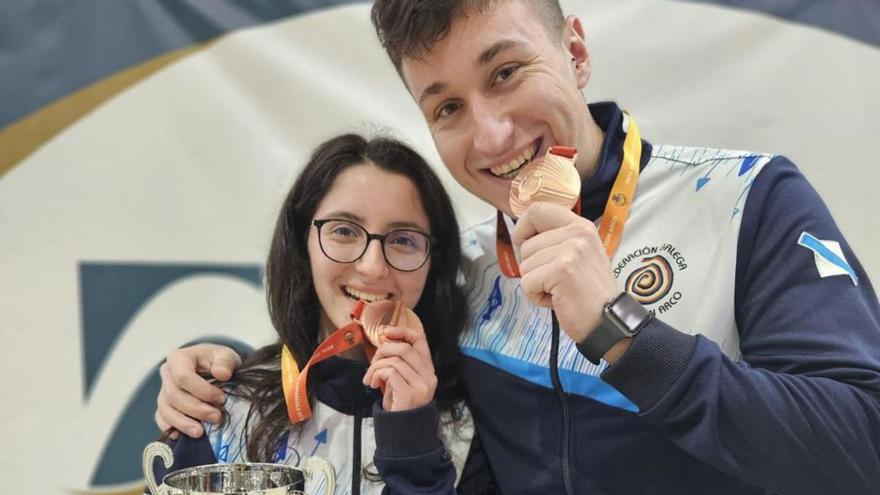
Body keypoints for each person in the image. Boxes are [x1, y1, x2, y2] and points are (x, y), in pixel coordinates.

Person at [156, 1, 880, 494]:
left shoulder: (744, 199)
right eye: (447, 107)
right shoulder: (464, 266)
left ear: (575, 50)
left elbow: (864, 446)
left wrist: (622, 330)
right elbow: (347, 351)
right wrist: (216, 371)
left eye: (505, 72)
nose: (493, 135)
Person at [151, 134, 483, 495]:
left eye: (403, 239)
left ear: (434, 263)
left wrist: (412, 438)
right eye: (344, 231)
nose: (372, 267)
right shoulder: (221, 409)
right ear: (300, 243)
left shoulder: (474, 424)